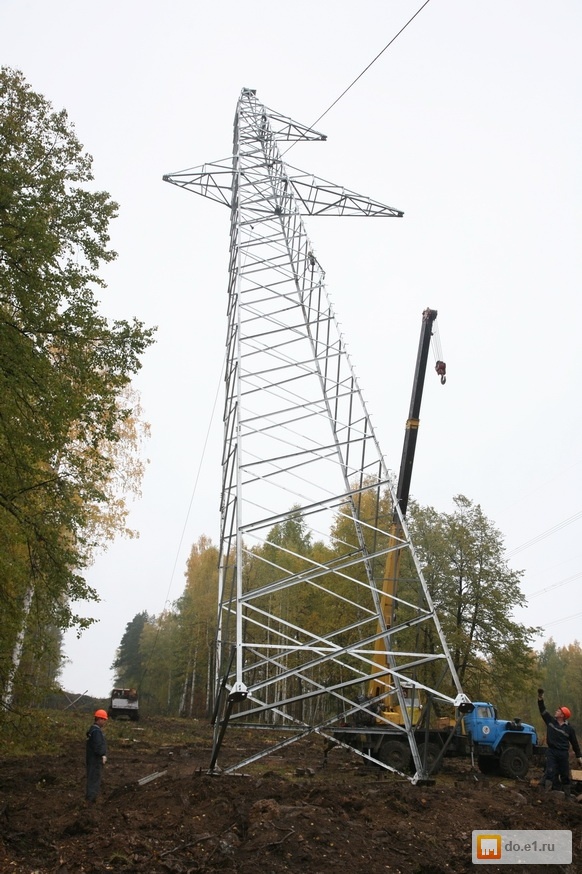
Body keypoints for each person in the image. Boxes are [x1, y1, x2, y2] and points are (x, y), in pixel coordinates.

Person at [537, 688, 582, 795]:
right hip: (552, 752)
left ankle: (567, 796)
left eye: (559, 711)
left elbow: (575, 743)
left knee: (565, 775)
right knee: (550, 772)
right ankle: (547, 794)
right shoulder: (550, 721)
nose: (556, 711)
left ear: (563, 715)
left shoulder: (569, 729)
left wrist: (579, 756)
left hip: (563, 754)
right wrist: (540, 698)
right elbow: (542, 710)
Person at [86, 708, 108, 803]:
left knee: (91, 778)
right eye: (104, 720)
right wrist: (102, 755)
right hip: (95, 760)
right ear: (99, 719)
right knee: (94, 780)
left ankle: (89, 798)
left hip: (91, 759)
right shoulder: (96, 732)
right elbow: (98, 746)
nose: (104, 722)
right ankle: (91, 800)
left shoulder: (92, 730)